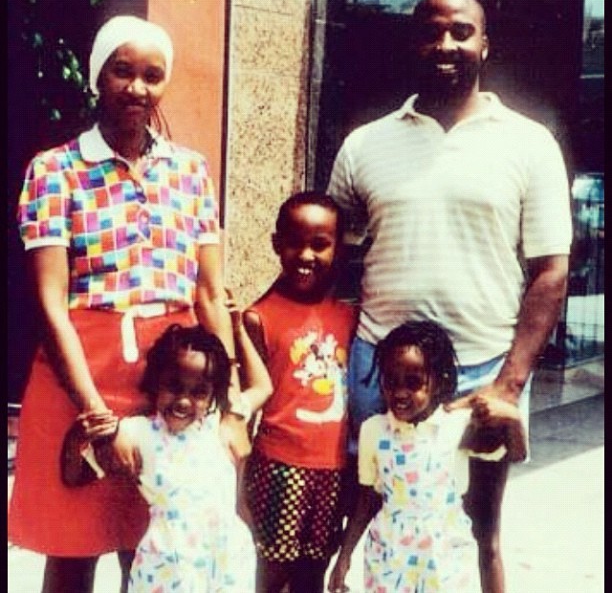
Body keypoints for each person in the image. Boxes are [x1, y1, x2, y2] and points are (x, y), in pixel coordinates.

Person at [327, 0, 572, 592]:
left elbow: (551, 271)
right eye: (433, 32)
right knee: (373, 517)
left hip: (481, 373)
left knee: (478, 530)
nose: (446, 45)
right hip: (379, 370)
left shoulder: (529, 143)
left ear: (484, 43)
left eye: (462, 32)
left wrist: (508, 384)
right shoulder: (364, 145)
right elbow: (332, 253)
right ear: (415, 43)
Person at [8, 15, 249, 593]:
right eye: (123, 71)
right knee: (72, 549)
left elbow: (210, 294)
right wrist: (96, 417)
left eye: (152, 75)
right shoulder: (54, 170)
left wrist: (233, 406)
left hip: (170, 380)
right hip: (80, 375)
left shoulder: (190, 171)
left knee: (158, 544)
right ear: (98, 77)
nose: (138, 87)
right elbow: (49, 301)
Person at [61, 320, 272, 591]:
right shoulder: (138, 433)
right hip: (168, 566)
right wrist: (75, 439)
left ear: (213, 396)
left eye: (199, 393)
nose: (184, 400)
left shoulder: (221, 424)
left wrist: (237, 330)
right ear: (155, 383)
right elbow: (76, 477)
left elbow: (263, 387)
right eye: (174, 386)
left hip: (227, 561)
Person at [327, 320, 527, 593]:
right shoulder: (373, 431)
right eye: (391, 381)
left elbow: (515, 452)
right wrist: (344, 557)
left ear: (438, 382)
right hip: (389, 556)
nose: (399, 392)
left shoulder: (457, 426)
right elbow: (366, 499)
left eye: (413, 383)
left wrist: (513, 418)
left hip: (443, 556)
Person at [242, 191, 358, 593]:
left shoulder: (350, 316)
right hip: (279, 466)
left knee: (315, 569)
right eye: (295, 242)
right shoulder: (258, 318)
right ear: (277, 244)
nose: (306, 255)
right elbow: (249, 405)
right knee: (272, 573)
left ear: (337, 249)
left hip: (334, 468)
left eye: (320, 244)